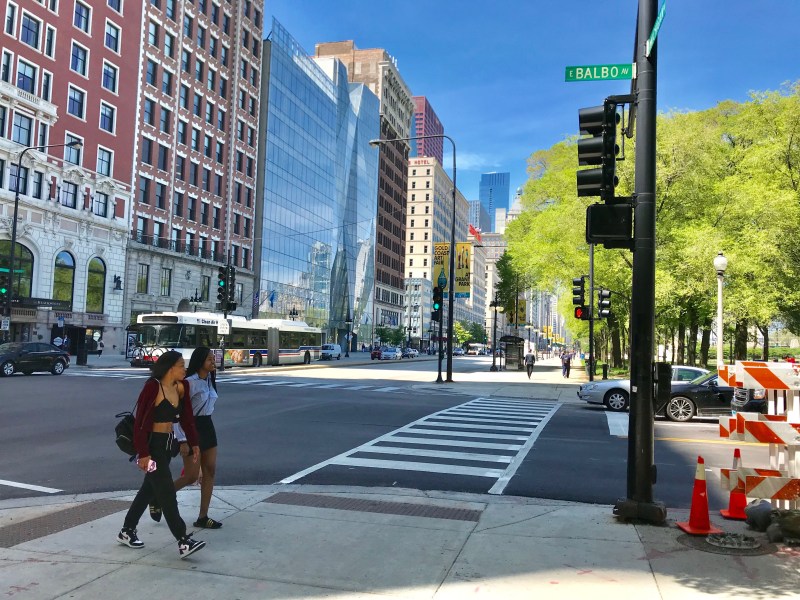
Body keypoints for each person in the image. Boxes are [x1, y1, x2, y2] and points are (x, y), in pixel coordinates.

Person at [117, 350, 206, 559]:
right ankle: (183, 540)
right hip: (152, 448)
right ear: (170, 368)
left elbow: (187, 419)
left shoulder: (181, 388)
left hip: (168, 445)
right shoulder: (152, 387)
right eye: (181, 366)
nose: (185, 369)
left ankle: (127, 530)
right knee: (166, 492)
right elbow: (140, 424)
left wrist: (194, 444)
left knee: (148, 490)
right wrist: (143, 454)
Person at [172, 347, 223, 529]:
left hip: (207, 426)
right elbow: (177, 414)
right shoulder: (188, 383)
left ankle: (203, 516)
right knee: (191, 475)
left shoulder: (210, 379)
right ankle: (160, 497)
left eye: (213, 358)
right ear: (200, 361)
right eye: (209, 359)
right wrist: (182, 440)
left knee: (210, 471)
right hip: (191, 427)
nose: (213, 361)